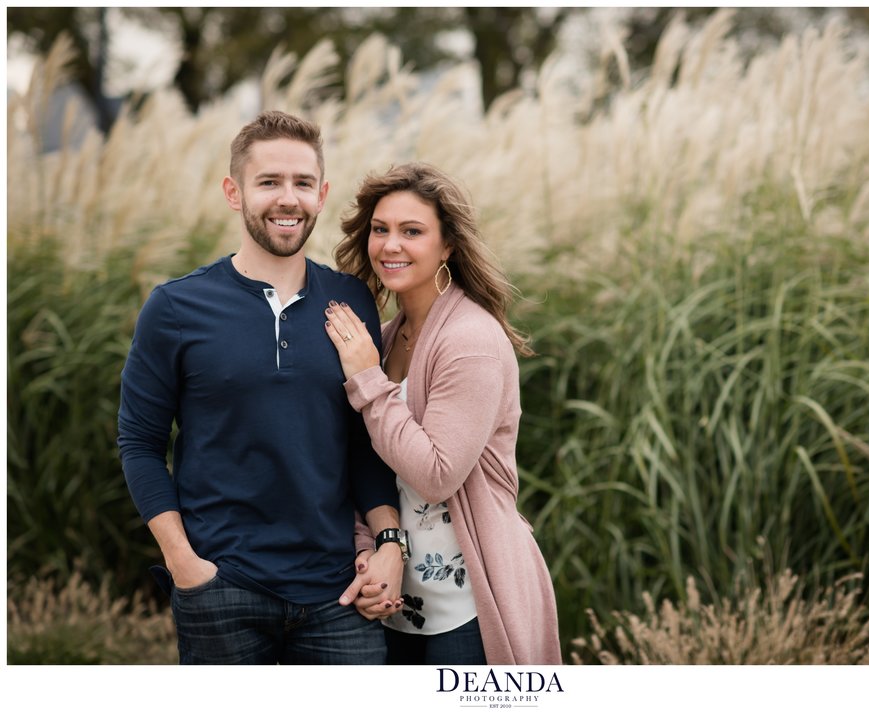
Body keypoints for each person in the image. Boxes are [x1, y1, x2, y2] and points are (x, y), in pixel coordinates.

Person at [117, 110, 405, 664]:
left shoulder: (351, 302)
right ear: (234, 192)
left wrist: (390, 543)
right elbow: (139, 443)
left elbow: (366, 443)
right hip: (223, 588)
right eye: (268, 182)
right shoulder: (176, 307)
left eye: (301, 183)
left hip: (337, 591)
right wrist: (184, 565)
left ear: (321, 195)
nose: (287, 199)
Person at [324, 163, 562, 665]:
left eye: (412, 231)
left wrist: (368, 381)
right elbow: (370, 464)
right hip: (398, 603)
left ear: (447, 245)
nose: (391, 246)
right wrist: (369, 547)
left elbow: (436, 475)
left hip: (472, 606)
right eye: (381, 230)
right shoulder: (386, 339)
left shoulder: (468, 341)